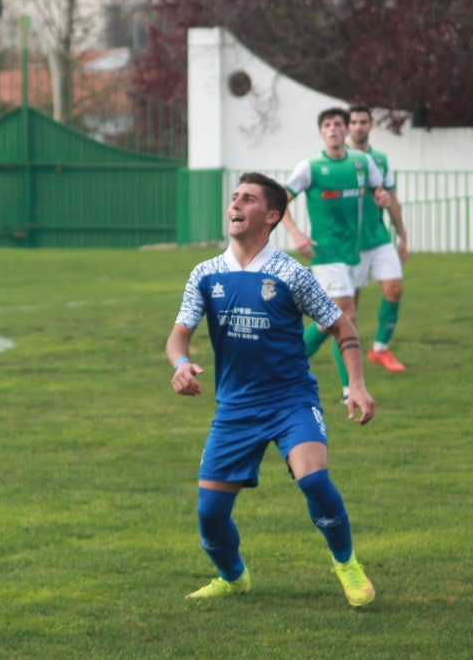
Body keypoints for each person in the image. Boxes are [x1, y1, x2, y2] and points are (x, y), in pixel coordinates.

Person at [167, 172, 376, 608]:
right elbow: (178, 336)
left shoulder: (290, 274)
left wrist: (356, 384)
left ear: (272, 215)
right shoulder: (205, 274)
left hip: (290, 400)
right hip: (235, 408)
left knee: (315, 481)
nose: (236, 205)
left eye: (248, 199)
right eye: (234, 197)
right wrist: (181, 364)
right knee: (209, 516)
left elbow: (341, 325)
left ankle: (347, 564)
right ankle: (233, 576)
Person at [281, 107, 389, 403]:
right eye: (327, 125)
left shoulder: (362, 162)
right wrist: (298, 234)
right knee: (345, 314)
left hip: (354, 252)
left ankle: (283, 361)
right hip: (326, 253)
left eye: (338, 124)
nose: (333, 129)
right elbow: (280, 199)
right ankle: (348, 389)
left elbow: (379, 192)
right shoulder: (310, 167)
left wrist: (382, 197)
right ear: (321, 132)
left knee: (332, 320)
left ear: (346, 130)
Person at [347, 104, 408, 373]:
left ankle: (380, 349)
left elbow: (392, 199)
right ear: (348, 127)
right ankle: (349, 354)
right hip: (350, 244)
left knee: (394, 289)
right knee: (350, 305)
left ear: (371, 125)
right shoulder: (340, 158)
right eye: (354, 122)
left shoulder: (381, 159)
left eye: (363, 121)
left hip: (379, 238)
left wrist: (403, 237)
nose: (359, 126)